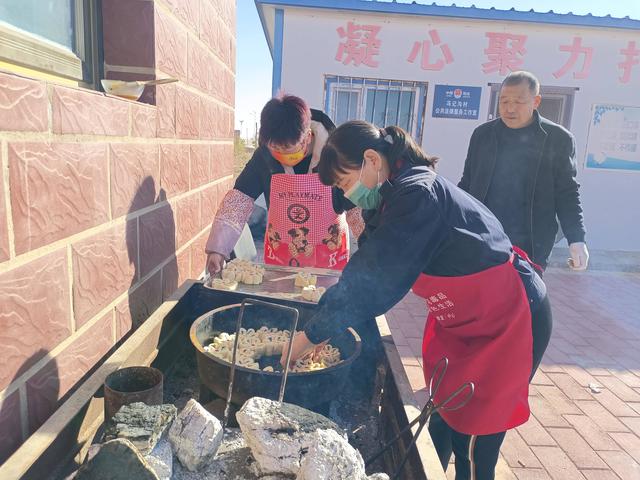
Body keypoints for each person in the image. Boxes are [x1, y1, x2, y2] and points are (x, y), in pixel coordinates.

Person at [280, 121, 553, 480]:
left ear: (371, 160)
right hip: (463, 319)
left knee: (475, 441)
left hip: (510, 316)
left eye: (346, 183)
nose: (347, 196)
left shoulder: (417, 194)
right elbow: (363, 269)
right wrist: (330, 324)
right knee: (443, 412)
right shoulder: (390, 197)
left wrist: (306, 338)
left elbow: (374, 283)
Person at [205, 94, 364, 273]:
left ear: (307, 137)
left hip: (329, 256)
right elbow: (239, 200)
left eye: (288, 150)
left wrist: (373, 254)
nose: (281, 155)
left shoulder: (335, 155)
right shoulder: (264, 157)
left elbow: (356, 209)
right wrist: (217, 249)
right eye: (276, 149)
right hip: (280, 255)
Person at [459, 70, 588, 271]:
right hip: (483, 235)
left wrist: (576, 238)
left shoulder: (557, 139)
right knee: (481, 297)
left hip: (532, 242)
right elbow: (466, 185)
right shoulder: (482, 135)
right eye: (504, 101)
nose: (510, 108)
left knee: (524, 298)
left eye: (518, 102)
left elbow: (567, 193)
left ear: (536, 101)